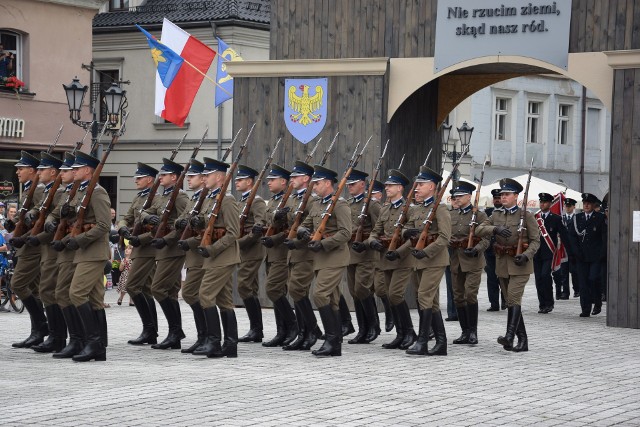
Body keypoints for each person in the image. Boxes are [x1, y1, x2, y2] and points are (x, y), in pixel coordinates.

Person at [475, 178, 540, 352]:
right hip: (502, 263)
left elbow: (535, 241)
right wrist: (494, 229)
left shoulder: (526, 215)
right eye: (502, 194)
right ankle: (523, 341)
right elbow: (479, 229)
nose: (503, 197)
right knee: (511, 301)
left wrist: (526, 255)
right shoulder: (496, 215)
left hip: (520, 264)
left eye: (507, 194)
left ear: (516, 196)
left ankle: (509, 336)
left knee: (512, 298)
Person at [297, 165, 352, 357]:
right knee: (333, 300)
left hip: (335, 256)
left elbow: (346, 233)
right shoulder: (316, 204)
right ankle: (335, 344)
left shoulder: (340, 204)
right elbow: (304, 225)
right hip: (320, 258)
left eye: (317, 183)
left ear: (328, 183)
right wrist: (303, 232)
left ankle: (330, 339)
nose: (314, 187)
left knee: (319, 294)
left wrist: (325, 243)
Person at [62, 151, 112, 362]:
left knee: (76, 293)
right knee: (93, 299)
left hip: (93, 252)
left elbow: (103, 225)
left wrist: (80, 240)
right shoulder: (81, 192)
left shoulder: (97, 192)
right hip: (84, 251)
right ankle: (99, 347)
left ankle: (92, 342)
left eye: (77, 168)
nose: (73, 171)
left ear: (88, 170)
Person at [193, 158, 241, 358]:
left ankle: (213, 341)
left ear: (220, 177)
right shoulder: (212, 199)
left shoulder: (227, 200)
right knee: (224, 300)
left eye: (208, 175)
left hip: (223, 256)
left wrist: (212, 250)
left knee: (205, 294)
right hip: (215, 256)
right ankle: (230, 345)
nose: (204, 179)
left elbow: (233, 233)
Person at [402, 166, 451, 356]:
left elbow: (445, 237)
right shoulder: (418, 208)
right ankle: (441, 343)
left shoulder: (440, 208)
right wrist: (407, 232)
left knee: (423, 297)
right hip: (418, 259)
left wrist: (427, 252)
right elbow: (406, 225)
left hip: (434, 260)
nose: (416, 188)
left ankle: (422, 341)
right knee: (431, 302)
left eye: (421, 184)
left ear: (431, 186)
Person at [365, 169, 416, 350]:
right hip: (385, 258)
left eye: (390, 185)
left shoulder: (409, 208)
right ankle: (401, 334)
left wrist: (399, 252)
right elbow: (375, 231)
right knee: (389, 295)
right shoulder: (385, 208)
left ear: (400, 188)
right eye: (386, 185)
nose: (386, 187)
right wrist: (372, 242)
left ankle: (409, 332)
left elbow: (413, 237)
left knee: (395, 294)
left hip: (403, 259)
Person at [141, 158, 188, 350]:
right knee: (168, 291)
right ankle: (174, 333)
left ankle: (176, 331)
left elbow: (185, 224)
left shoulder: (180, 196)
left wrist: (167, 239)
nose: (160, 177)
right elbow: (142, 212)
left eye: (165, 174)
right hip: (163, 249)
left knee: (158, 288)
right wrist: (147, 217)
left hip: (173, 249)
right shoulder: (162, 196)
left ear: (175, 177)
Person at [25, 152, 66, 353]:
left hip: (53, 249)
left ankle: (57, 336)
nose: (38, 173)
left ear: (53, 172)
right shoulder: (50, 191)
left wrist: (34, 238)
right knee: (47, 291)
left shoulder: (58, 193)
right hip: (46, 249)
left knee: (50, 292)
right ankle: (54, 334)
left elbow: (54, 225)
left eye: (42, 170)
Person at [281, 161, 323, 351]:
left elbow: (313, 227)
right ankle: (304, 332)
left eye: (295, 177)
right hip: (293, 252)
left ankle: (312, 330)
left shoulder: (313, 200)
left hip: (305, 252)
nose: (291, 179)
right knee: (296, 292)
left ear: (306, 178)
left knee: (297, 290)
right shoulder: (290, 199)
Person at [7, 151, 47, 349]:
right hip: (27, 244)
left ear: (32, 170)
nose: (17, 173)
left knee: (18, 283)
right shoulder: (30, 188)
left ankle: (41, 325)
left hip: (33, 246)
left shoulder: (38, 189)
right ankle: (37, 332)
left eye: (21, 169)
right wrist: (13, 222)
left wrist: (23, 232)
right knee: (35, 289)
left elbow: (40, 214)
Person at [46, 152, 84, 359]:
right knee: (58, 292)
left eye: (67, 170)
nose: (62, 173)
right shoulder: (67, 193)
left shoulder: (90, 193)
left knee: (67, 293)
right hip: (63, 247)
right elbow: (53, 214)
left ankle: (79, 339)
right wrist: (50, 221)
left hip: (74, 248)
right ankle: (67, 338)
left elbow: (101, 224)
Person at [117, 162, 159, 346]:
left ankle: (149, 328)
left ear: (149, 180)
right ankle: (150, 331)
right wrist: (123, 228)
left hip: (147, 248)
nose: (136, 181)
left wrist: (138, 239)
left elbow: (159, 226)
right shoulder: (138, 197)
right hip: (138, 247)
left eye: (139, 178)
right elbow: (127, 217)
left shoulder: (156, 198)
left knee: (133, 286)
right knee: (146, 289)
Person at [173, 159, 210, 353]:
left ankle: (207, 337)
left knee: (192, 294)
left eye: (192, 176)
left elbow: (206, 230)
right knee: (193, 294)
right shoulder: (194, 199)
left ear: (203, 179)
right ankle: (202, 336)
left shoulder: (205, 199)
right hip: (192, 255)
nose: (188, 179)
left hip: (201, 254)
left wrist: (190, 240)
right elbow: (183, 219)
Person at [259, 165, 298, 347]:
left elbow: (289, 229)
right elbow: (268, 223)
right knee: (277, 292)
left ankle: (292, 327)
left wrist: (273, 238)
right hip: (270, 253)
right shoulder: (273, 201)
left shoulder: (290, 201)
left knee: (273, 289)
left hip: (282, 252)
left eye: (272, 179)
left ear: (283, 181)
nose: (268, 182)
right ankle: (281, 331)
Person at [448, 181, 489, 346]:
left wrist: (477, 248)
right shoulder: (451, 214)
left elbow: (486, 238)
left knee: (470, 295)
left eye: (459, 196)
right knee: (458, 297)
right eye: (454, 196)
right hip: (456, 260)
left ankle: (473, 331)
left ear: (469, 197)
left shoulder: (479, 216)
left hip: (472, 261)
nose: (456, 199)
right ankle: (464, 331)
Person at [346, 169, 381, 344]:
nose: (350, 188)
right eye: (348, 185)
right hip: (351, 252)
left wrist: (366, 243)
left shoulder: (372, 205)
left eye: (353, 184)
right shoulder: (350, 204)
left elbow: (378, 229)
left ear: (362, 184)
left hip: (366, 254)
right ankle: (362, 329)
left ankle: (373, 326)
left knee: (362, 289)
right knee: (354, 292)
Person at [234, 164, 267, 344]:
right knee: (250, 288)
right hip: (243, 251)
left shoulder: (257, 201)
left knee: (244, 286)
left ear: (249, 182)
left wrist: (237, 244)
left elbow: (258, 228)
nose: (236, 183)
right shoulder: (240, 202)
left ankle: (256, 328)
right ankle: (256, 330)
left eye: (240, 180)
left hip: (252, 250)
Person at [567, 193, 607, 318]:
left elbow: (604, 238)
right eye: (584, 203)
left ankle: (597, 302)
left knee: (593, 279)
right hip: (581, 256)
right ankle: (585, 309)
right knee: (583, 283)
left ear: (593, 205)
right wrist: (575, 252)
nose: (586, 205)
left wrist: (602, 254)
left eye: (589, 203)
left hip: (596, 256)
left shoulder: (600, 218)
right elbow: (572, 237)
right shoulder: (577, 218)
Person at [533, 193, 568, 314]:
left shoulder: (556, 218)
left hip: (549, 253)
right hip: (536, 253)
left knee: (545, 276)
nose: (542, 204)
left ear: (550, 204)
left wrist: (570, 252)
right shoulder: (535, 218)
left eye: (545, 202)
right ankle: (542, 304)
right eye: (541, 202)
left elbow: (564, 236)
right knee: (538, 279)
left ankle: (549, 303)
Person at [369, 180, 392, 332]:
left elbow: (381, 227)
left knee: (381, 289)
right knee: (369, 289)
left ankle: (390, 315)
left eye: (372, 193)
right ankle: (373, 324)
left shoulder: (377, 207)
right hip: (370, 252)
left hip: (380, 253)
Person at [484, 189, 505, 311]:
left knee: (503, 276)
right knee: (491, 277)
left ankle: (505, 301)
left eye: (499, 197)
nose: (497, 200)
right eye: (495, 198)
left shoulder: (506, 213)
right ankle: (494, 303)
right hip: (489, 250)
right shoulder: (487, 212)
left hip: (502, 250)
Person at [560, 198, 580, 298]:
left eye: (569, 206)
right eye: (566, 206)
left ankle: (577, 290)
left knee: (574, 271)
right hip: (563, 249)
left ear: (573, 207)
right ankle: (565, 292)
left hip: (573, 249)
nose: (567, 208)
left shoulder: (577, 218)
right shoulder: (561, 219)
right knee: (564, 272)